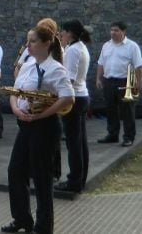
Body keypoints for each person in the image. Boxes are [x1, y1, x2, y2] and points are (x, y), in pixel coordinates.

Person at [2, 24, 74, 234]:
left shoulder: (56, 68)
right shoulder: (27, 65)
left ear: (46, 43)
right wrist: (15, 109)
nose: (28, 45)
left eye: (32, 41)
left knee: (42, 178)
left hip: (44, 126)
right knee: (15, 172)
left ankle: (43, 227)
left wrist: (42, 114)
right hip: (25, 124)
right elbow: (16, 91)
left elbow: (68, 97)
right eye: (28, 41)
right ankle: (22, 219)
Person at [55, 20, 91, 193]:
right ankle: (80, 179)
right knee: (80, 142)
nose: (60, 34)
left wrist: (59, 97)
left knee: (73, 143)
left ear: (69, 33)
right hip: (82, 95)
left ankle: (74, 181)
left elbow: (68, 79)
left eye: (62, 32)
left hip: (74, 99)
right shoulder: (80, 47)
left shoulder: (72, 50)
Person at [95, 21, 142, 147]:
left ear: (123, 31)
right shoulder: (106, 45)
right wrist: (98, 79)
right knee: (110, 109)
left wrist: (139, 81)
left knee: (127, 111)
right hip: (109, 80)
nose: (113, 32)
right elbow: (101, 63)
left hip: (126, 81)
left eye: (116, 30)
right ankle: (112, 135)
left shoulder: (132, 46)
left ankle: (128, 137)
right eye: (112, 30)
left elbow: (138, 66)